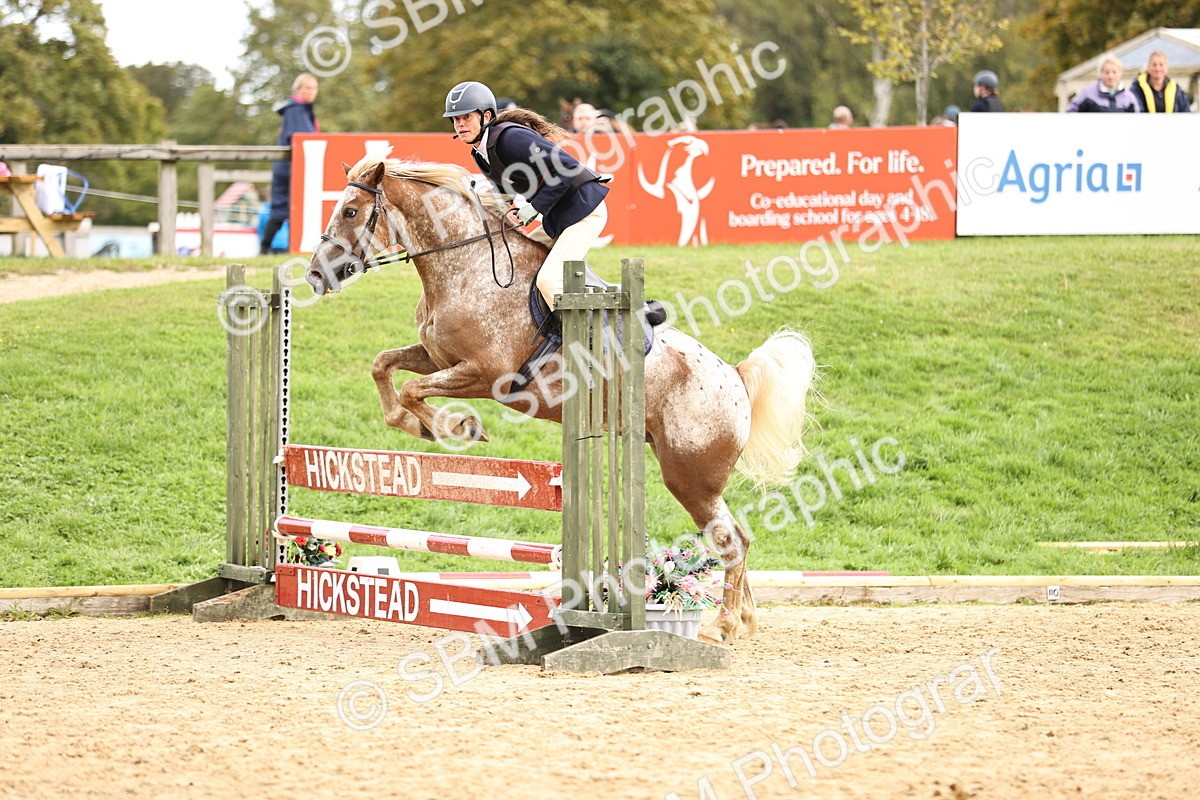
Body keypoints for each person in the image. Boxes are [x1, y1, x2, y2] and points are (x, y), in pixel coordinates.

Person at [444, 80, 610, 322]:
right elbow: (502, 197)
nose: (460, 124)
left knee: (548, 280)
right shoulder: (481, 153)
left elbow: (565, 170)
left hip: (585, 211)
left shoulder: (511, 138)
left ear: (486, 115)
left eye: (466, 117)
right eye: (455, 119)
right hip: (560, 217)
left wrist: (534, 207)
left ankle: (590, 338)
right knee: (518, 261)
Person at [261, 73, 319, 255]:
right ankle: (265, 248)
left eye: (314, 88)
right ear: (298, 90)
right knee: (283, 208)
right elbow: (301, 139)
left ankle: (282, 249)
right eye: (307, 88)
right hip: (289, 169)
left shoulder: (304, 111)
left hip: (293, 168)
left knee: (291, 208)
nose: (311, 92)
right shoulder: (295, 110)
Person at [1067, 56, 1139, 112]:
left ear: (1121, 73)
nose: (1110, 76)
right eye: (1107, 72)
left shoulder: (1129, 97)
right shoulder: (1087, 93)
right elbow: (1071, 112)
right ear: (1101, 73)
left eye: (1114, 72)